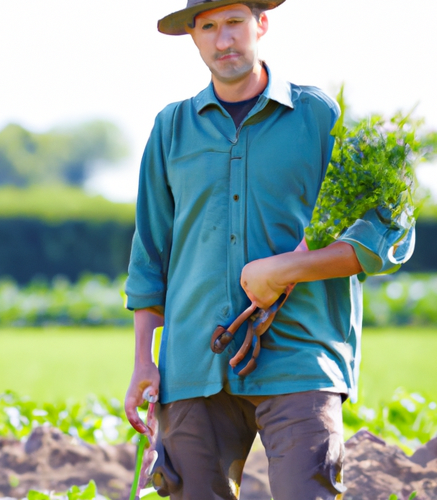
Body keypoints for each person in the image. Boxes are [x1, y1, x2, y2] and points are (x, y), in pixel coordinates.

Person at [124, 1, 414, 498]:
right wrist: (144, 363)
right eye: (208, 27)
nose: (223, 40)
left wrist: (289, 269)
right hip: (195, 363)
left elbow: (390, 231)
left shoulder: (320, 116)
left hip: (302, 356)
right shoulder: (170, 128)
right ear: (193, 37)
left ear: (261, 25)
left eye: (234, 22)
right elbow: (151, 255)